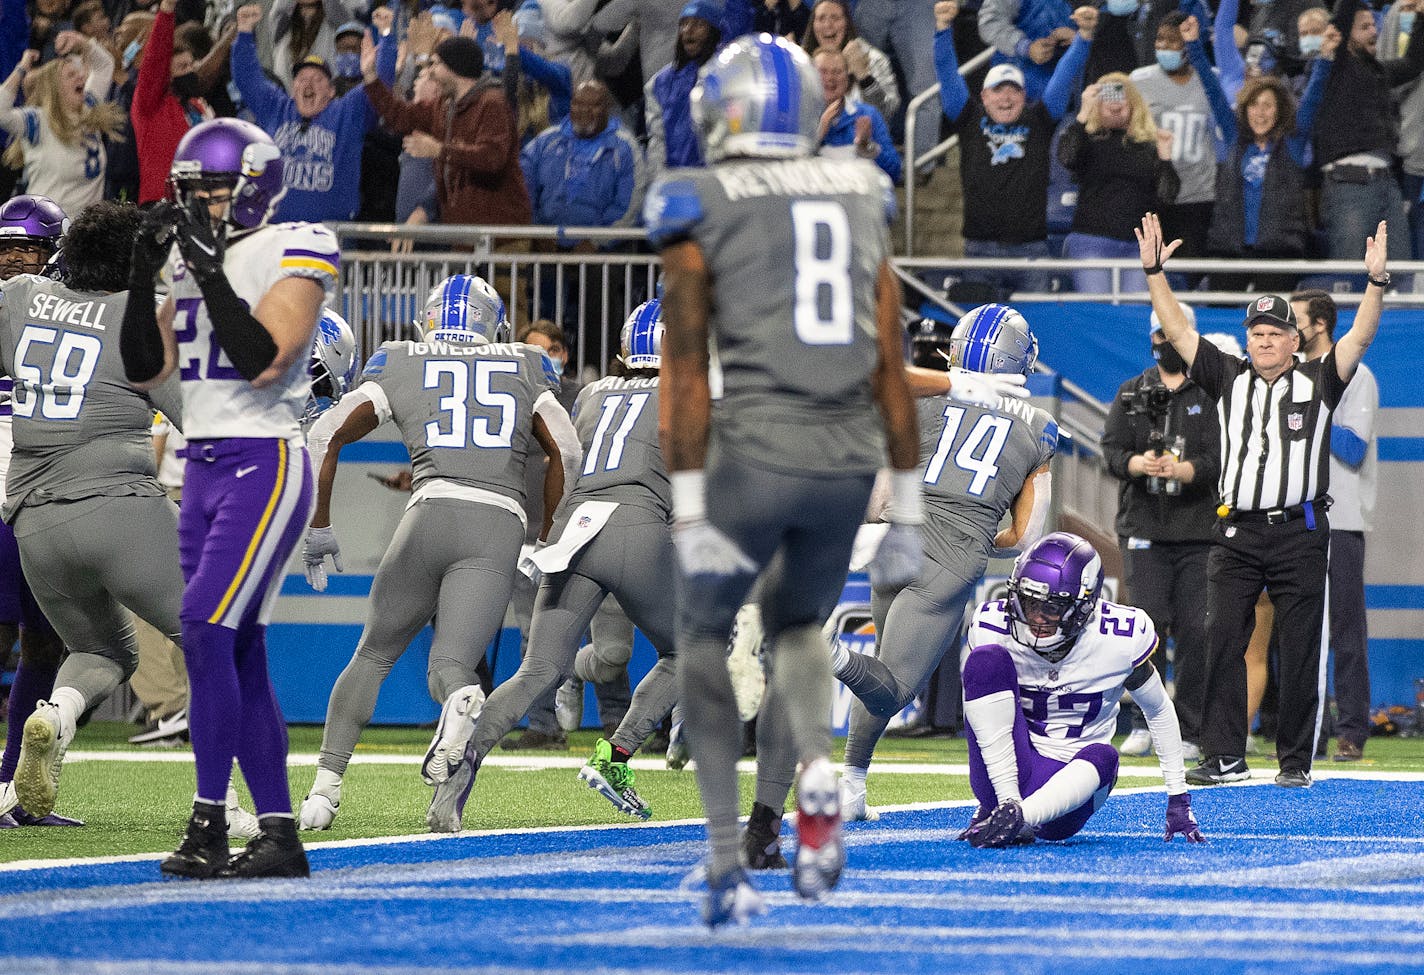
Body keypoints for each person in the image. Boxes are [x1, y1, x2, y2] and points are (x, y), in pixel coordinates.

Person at [647, 34, 924, 925]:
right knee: (798, 620)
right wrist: (909, 502)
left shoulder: (698, 198)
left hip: (755, 455)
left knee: (699, 635)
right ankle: (814, 766)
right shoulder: (858, 189)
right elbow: (891, 358)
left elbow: (685, 372)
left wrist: (690, 503)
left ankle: (727, 859)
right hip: (845, 458)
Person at [120, 117, 341, 877]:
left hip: (265, 460)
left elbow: (261, 359)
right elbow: (145, 367)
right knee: (236, 644)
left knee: (203, 625)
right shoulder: (190, 257)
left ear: (253, 187)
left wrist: (208, 270)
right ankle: (279, 833)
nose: (201, 207)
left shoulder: (297, 243)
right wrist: (144, 272)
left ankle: (210, 821)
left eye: (212, 191)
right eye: (192, 194)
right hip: (202, 464)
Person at [297, 274, 578, 834]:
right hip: (498, 522)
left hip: (427, 512)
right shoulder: (526, 361)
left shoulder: (400, 358)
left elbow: (324, 435)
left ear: (429, 321)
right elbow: (565, 449)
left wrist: (319, 524)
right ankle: (461, 700)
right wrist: (552, 535)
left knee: (373, 655)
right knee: (451, 667)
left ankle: (323, 793)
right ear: (492, 325)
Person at [1137, 210, 1388, 789]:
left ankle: (1294, 760)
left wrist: (1374, 285)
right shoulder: (1228, 377)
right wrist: (1154, 273)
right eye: (1257, 333)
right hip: (1237, 531)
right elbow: (1178, 331)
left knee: (1299, 648)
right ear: (1247, 339)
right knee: (1219, 640)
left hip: (1300, 530)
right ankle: (1223, 754)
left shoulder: (1320, 378)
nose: (1266, 340)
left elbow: (1361, 336)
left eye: (1276, 332)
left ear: (1294, 340)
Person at [418, 301, 679, 825]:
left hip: (575, 529)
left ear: (625, 350)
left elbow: (572, 457)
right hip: (636, 526)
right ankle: (617, 756)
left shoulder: (591, 393)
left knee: (536, 669)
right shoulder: (692, 392)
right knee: (694, 649)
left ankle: (455, 783)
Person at [806, 306, 1054, 835]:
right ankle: (820, 649)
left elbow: (877, 488)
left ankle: (851, 781)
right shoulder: (1039, 426)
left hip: (896, 538)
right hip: (951, 553)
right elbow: (1027, 535)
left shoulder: (929, 396)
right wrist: (991, 536)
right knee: (892, 688)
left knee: (879, 671)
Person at [1, 201, 186, 823]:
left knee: (106, 650)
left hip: (33, 520)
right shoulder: (138, 317)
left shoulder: (22, 295)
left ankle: (57, 715)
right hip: (116, 503)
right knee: (218, 635)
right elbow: (203, 425)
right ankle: (226, 803)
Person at [957, 532, 1206, 848]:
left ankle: (1019, 816)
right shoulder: (995, 626)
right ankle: (1004, 807)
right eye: (1029, 602)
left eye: (1051, 608)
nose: (1036, 617)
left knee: (1105, 756)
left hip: (1070, 792)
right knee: (984, 662)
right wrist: (1003, 799)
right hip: (1006, 771)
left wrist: (1178, 795)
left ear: (1085, 605)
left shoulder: (1118, 640)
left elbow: (1157, 708)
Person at [1102, 300, 1219, 762]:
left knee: (1195, 631)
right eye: (1159, 337)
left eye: (1172, 335)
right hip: (1145, 528)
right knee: (1144, 631)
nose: (1165, 344)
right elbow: (1111, 450)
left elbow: (1220, 457)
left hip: (1197, 532)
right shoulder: (1132, 391)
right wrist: (1138, 464)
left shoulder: (1209, 394)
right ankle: (1144, 722)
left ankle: (1188, 728)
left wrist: (1184, 470)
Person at [0, 196, 72, 828]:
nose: (18, 261)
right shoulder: (63, 315)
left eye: (28, 249)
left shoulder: (63, 315)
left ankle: (11, 791)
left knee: (43, 642)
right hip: (21, 492)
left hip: (37, 490)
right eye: (9, 250)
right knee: (25, 639)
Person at [935, 0, 1078, 297]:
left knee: (1040, 335)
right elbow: (947, 72)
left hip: (1031, 250)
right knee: (983, 339)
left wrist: (1084, 40)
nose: (1006, 97)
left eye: (1013, 90)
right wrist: (942, 30)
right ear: (984, 96)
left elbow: (1064, 77)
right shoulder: (968, 118)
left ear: (1024, 96)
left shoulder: (1039, 119)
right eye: (998, 90)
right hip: (980, 250)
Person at [1291, 288, 1376, 762]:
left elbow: (1354, 448)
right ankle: (1310, 730)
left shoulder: (1357, 376)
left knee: (1345, 628)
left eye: (1296, 319)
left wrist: (1310, 412)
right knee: (1301, 629)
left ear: (1319, 324)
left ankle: (1352, 730)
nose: (1287, 327)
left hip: (1341, 517)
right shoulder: (1292, 377)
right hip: (1298, 517)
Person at [231, 3, 398, 224]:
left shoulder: (347, 113)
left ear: (331, 91)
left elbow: (381, 85)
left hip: (329, 236)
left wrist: (386, 36)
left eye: (318, 79)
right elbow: (248, 77)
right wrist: (244, 32)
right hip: (276, 232)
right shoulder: (276, 108)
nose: (308, 84)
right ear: (293, 89)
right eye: (301, 79)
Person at [362, 33, 531, 227]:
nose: (430, 72)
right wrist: (371, 77)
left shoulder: (492, 103)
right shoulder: (443, 106)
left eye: (435, 64)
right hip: (463, 234)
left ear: (455, 66)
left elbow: (492, 157)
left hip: (500, 235)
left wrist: (439, 150)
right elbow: (400, 116)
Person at [1310, 0, 1423, 262]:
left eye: (1374, 25)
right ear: (1344, 36)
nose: (1373, 31)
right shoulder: (1336, 66)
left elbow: (1414, 63)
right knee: (1352, 272)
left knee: (1399, 272)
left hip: (1387, 182)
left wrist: (1421, 18)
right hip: (1349, 184)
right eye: (1364, 27)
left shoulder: (1378, 71)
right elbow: (1344, 11)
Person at [1058, 74, 1180, 295]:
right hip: (1092, 240)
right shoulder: (1087, 139)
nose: (1115, 103)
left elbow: (1167, 196)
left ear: (1134, 104)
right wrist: (1083, 112)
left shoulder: (1150, 146)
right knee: (1095, 314)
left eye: (1122, 96)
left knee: (1132, 318)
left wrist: (1165, 157)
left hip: (1138, 247)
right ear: (1097, 103)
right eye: (1107, 97)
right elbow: (1066, 157)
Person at [0, 34, 121, 218]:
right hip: (47, 230)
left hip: (86, 231)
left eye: (79, 72)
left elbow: (105, 65)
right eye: (71, 75)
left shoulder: (89, 107)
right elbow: (2, 111)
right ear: (54, 88)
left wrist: (81, 42)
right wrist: (22, 67)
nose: (80, 77)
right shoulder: (38, 121)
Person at [644, 0, 721, 181]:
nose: (688, 30)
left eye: (699, 24)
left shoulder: (724, 77)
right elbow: (657, 138)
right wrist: (660, 181)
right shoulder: (659, 82)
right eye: (684, 24)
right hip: (672, 179)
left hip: (713, 181)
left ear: (713, 32)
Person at [800, 0, 901, 122]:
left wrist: (865, 78)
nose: (828, 25)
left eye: (835, 18)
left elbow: (885, 115)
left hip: (861, 138)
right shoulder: (801, 62)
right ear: (813, 25)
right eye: (821, 18)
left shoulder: (873, 58)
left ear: (847, 23)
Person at [814, 48, 902, 183]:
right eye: (823, 72)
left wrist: (867, 147)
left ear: (847, 79)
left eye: (837, 72)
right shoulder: (799, 116)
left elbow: (894, 173)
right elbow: (788, 171)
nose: (830, 78)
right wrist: (819, 134)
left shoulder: (868, 115)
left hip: (858, 198)